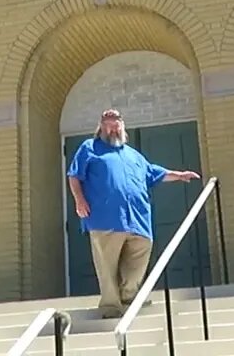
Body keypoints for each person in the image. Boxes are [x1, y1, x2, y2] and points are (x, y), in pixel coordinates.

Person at [66, 108, 201, 318]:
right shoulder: (89, 148)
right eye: (107, 123)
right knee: (107, 265)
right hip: (105, 218)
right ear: (100, 127)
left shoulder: (134, 155)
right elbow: (74, 175)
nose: (112, 128)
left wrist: (179, 175)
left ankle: (128, 296)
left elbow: (154, 172)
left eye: (116, 123)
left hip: (138, 219)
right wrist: (79, 200)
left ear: (122, 126)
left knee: (140, 254)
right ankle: (111, 307)